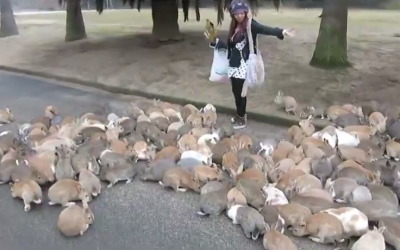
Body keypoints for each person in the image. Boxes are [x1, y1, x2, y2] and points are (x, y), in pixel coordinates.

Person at [205, 0, 295, 129]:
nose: (240, 16)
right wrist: (214, 41)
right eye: (236, 13)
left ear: (246, 12)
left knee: (241, 93)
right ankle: (239, 114)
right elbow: (231, 47)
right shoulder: (234, 27)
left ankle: (242, 118)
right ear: (233, 14)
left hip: (244, 65)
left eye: (242, 13)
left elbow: (265, 29)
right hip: (234, 66)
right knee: (236, 92)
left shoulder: (250, 24)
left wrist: (281, 32)